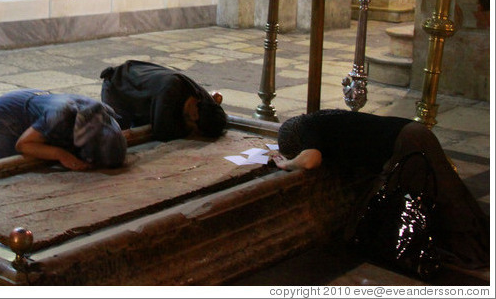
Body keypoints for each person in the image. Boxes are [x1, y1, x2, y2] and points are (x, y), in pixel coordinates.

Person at [271, 109, 489, 270]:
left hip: (406, 144)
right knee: (448, 193)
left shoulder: (310, 128)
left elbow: (310, 161)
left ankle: (473, 250)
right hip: (411, 133)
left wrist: (286, 164)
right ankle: (479, 242)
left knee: (443, 201)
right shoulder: (321, 120)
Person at [0, 89, 127, 171]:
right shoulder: (59, 116)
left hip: (33, 102)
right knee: (4, 169)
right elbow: (23, 144)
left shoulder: (105, 113)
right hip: (5, 115)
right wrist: (61, 155)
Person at [100, 60, 227, 142]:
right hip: (117, 86)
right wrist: (187, 129)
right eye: (194, 126)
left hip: (140, 86)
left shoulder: (203, 98)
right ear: (195, 115)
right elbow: (162, 132)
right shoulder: (170, 89)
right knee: (115, 135)